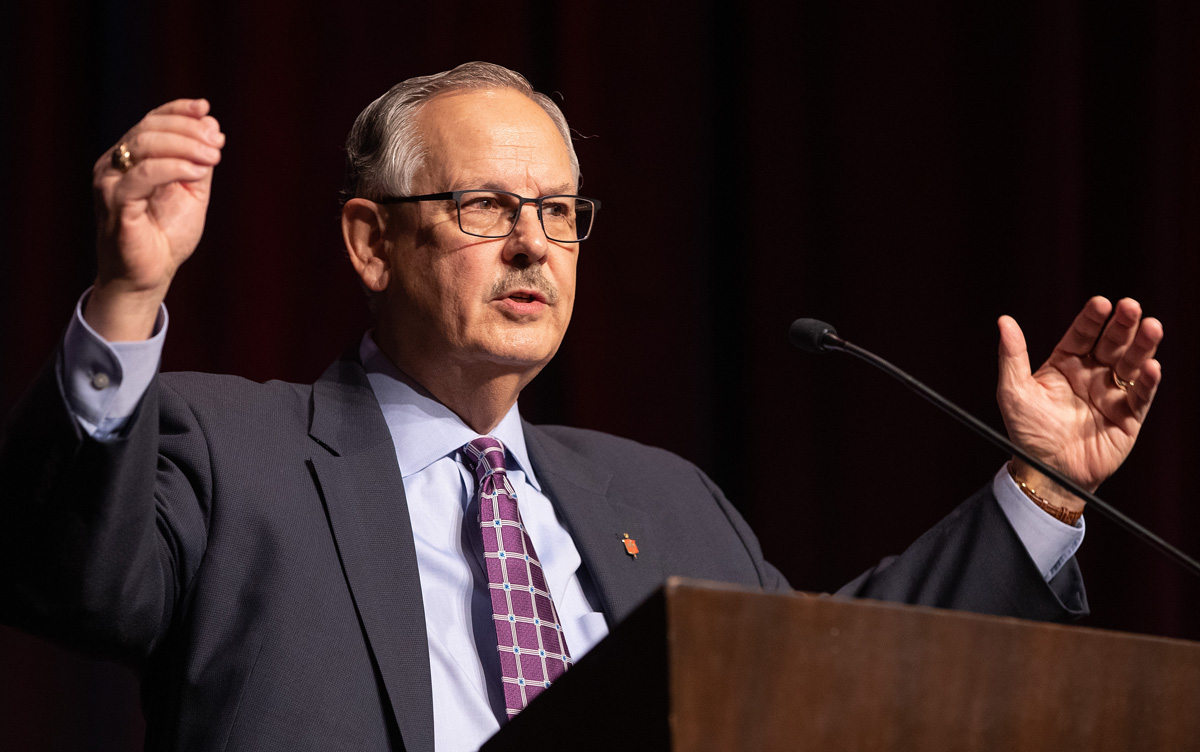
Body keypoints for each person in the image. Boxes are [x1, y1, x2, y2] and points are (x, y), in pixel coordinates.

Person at [0, 62, 1163, 752]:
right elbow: (67, 573)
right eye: (485, 205)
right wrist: (126, 296)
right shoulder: (226, 447)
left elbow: (839, 682)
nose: (532, 245)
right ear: (371, 241)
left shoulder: (660, 493)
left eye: (559, 212)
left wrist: (1042, 489)